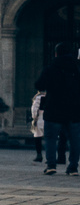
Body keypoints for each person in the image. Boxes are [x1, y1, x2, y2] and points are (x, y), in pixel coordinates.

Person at [39, 43, 80, 175]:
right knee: (75, 140)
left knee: (51, 138)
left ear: (56, 53)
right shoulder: (77, 68)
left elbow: (39, 84)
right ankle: (73, 167)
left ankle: (51, 165)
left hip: (54, 108)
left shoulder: (50, 68)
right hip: (74, 109)